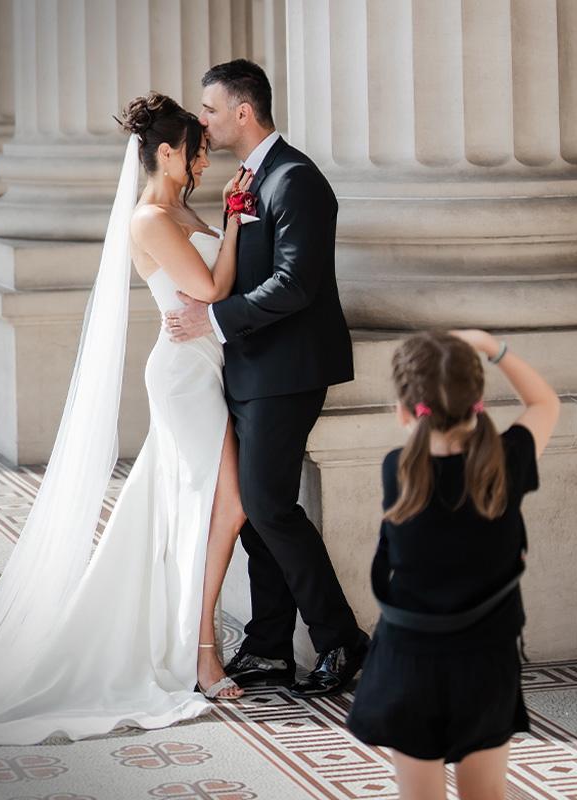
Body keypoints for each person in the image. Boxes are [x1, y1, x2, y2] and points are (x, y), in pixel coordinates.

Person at [0, 92, 251, 744]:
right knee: (230, 502)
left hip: (212, 369)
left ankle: (186, 634)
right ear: (165, 151)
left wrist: (230, 222)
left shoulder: (181, 207)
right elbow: (209, 291)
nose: (206, 157)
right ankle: (201, 647)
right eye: (197, 147)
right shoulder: (149, 218)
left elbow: (219, 293)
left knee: (180, 506)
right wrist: (236, 222)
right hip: (184, 379)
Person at [164, 59, 368, 696]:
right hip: (250, 369)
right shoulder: (248, 180)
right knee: (253, 511)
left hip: (287, 370)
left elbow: (297, 284)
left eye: (211, 109)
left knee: (270, 506)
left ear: (243, 112)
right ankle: (270, 644)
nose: (204, 120)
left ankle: (341, 640)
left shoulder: (296, 179)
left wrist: (215, 321)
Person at [346, 330, 559, 800]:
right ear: (477, 401)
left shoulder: (396, 470)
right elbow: (544, 403)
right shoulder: (506, 463)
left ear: (404, 411)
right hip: (486, 659)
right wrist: (491, 346)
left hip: (409, 659)